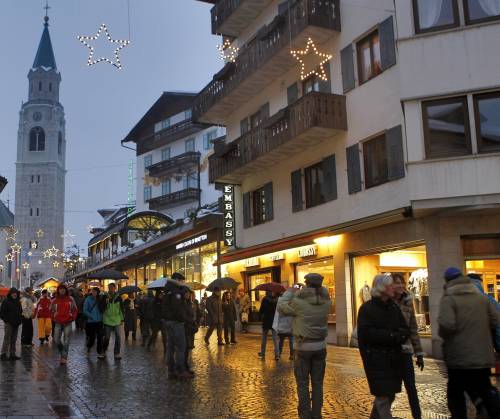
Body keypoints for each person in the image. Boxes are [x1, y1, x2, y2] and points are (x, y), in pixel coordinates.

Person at [438, 267, 500, 419]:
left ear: (447, 281)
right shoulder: (482, 298)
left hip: (458, 357)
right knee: (484, 387)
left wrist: (443, 334)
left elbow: (447, 325)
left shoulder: (449, 299)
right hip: (482, 356)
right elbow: (496, 319)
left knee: (455, 392)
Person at [278, 274, 332, 419]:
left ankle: (305, 415)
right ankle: (316, 414)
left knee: (302, 384)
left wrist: (290, 290)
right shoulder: (327, 301)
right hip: (320, 346)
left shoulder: (298, 302)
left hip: (302, 347)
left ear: (307, 284)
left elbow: (281, 307)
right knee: (318, 383)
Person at [357, 274, 410, 419]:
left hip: (393, 360)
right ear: (383, 288)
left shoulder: (393, 307)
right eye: (391, 285)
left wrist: (400, 336)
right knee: (383, 398)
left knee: (389, 395)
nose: (394, 287)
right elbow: (367, 334)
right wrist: (392, 336)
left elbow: (405, 329)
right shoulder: (367, 309)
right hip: (376, 360)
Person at [392, 273, 424, 419]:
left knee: (411, 387)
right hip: (390, 352)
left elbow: (413, 328)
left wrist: (419, 353)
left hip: (405, 351)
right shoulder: (386, 302)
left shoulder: (407, 301)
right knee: (388, 391)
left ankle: (417, 416)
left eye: (402, 282)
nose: (400, 285)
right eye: (397, 283)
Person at [163, 272, 190, 379]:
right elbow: (177, 308)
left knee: (170, 347)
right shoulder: (175, 292)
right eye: (181, 280)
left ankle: (171, 370)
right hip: (176, 322)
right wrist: (182, 319)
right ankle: (180, 370)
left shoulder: (167, 290)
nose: (182, 282)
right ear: (177, 280)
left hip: (168, 322)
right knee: (180, 347)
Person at [51, 284, 78, 364]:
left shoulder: (70, 299)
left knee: (66, 340)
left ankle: (64, 357)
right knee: (56, 340)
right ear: (58, 290)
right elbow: (51, 310)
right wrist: (54, 317)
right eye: (60, 289)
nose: (62, 290)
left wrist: (73, 317)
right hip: (58, 322)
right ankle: (63, 352)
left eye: (63, 289)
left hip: (68, 322)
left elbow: (75, 309)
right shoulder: (55, 300)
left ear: (66, 290)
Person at [101, 283, 124, 360]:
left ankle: (117, 353)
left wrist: (122, 319)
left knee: (118, 336)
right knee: (107, 337)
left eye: (112, 287)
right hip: (107, 319)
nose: (110, 289)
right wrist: (105, 303)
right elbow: (101, 308)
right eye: (109, 287)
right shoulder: (105, 297)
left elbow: (121, 309)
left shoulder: (119, 297)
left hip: (117, 319)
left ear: (115, 288)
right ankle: (103, 351)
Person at [0, 288, 23, 360]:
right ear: (10, 293)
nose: (14, 294)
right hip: (9, 324)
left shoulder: (18, 302)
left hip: (16, 323)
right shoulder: (6, 301)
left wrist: (20, 320)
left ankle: (12, 354)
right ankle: (3, 354)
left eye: (16, 293)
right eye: (13, 293)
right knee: (7, 338)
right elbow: (2, 313)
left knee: (14, 339)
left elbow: (20, 312)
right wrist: (6, 321)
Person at [83, 287, 104, 358]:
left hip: (99, 321)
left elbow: (103, 308)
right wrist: (91, 316)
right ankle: (89, 346)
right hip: (91, 321)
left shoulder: (100, 299)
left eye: (95, 291)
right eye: (93, 291)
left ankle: (99, 352)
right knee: (92, 337)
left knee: (100, 336)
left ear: (98, 292)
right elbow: (85, 310)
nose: (94, 293)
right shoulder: (88, 299)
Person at [258, 291, 279, 360]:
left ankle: (263, 353)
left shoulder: (265, 299)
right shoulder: (277, 299)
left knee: (264, 338)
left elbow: (261, 310)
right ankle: (277, 355)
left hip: (266, 320)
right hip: (274, 320)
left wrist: (261, 314)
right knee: (275, 339)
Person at [274, 291, 294, 361]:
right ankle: (292, 355)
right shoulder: (292, 302)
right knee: (291, 341)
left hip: (282, 326)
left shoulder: (280, 302)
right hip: (290, 325)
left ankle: (279, 354)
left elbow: (278, 314)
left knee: (281, 341)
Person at [184, 289, 200, 375]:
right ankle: (183, 367)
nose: (190, 296)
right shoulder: (184, 303)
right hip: (186, 327)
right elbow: (186, 316)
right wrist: (192, 321)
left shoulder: (192, 303)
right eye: (188, 294)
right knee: (184, 349)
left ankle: (185, 366)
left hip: (190, 327)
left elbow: (197, 313)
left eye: (191, 294)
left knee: (187, 348)